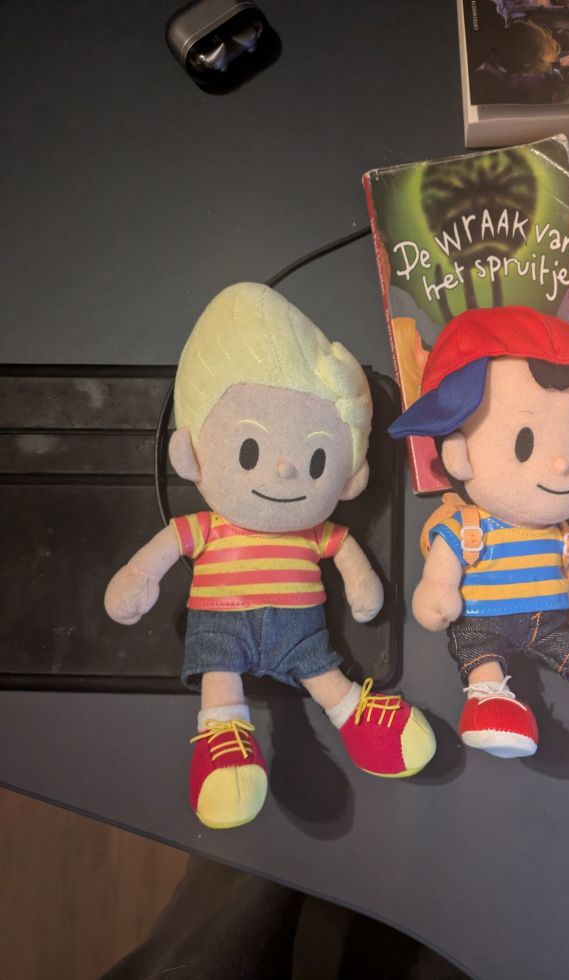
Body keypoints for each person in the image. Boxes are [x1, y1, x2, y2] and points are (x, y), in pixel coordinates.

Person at [105, 283, 435, 829]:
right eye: (251, 449)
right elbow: (160, 554)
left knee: (325, 674)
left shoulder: (314, 531)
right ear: (191, 453)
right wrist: (139, 578)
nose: (285, 471)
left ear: (348, 477)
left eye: (317, 460)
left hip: (300, 635)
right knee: (221, 678)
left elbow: (345, 551)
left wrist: (362, 587)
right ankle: (223, 743)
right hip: (222, 629)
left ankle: (357, 720)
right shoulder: (207, 526)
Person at [389, 306, 569, 758]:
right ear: (459, 454)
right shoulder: (467, 525)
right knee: (480, 656)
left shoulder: (559, 530)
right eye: (524, 443)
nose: (564, 465)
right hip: (482, 622)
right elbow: (443, 567)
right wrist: (437, 588)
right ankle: (489, 700)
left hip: (549, 622)